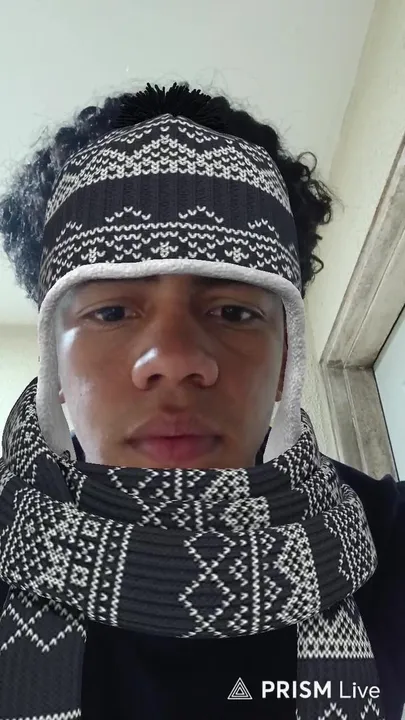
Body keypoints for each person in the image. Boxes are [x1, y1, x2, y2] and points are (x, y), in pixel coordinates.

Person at [0, 82, 403, 720]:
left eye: (234, 311)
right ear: (55, 363)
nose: (175, 359)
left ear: (287, 360)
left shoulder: (390, 542)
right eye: (111, 311)